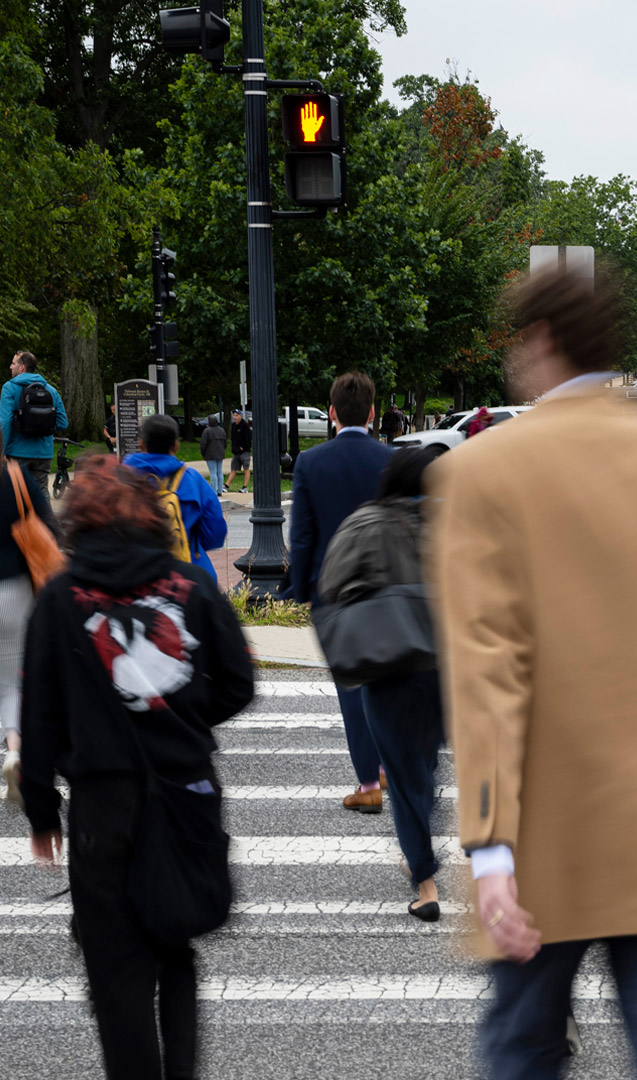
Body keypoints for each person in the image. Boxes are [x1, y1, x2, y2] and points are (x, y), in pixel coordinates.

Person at [432, 267, 637, 1080]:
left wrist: (490, 847)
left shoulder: (483, 473)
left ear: (542, 341)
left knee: (523, 1052)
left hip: (547, 834)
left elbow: (488, 672)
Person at [17, 455, 255, 1080]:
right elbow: (238, 682)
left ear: (79, 522)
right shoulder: (192, 585)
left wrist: (43, 811)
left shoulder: (60, 599)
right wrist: (186, 719)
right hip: (186, 793)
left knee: (116, 971)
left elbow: (39, 715)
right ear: (150, 517)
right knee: (173, 942)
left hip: (103, 805)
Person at [319, 447, 445, 921]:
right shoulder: (453, 522)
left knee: (402, 771)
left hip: (387, 662)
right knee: (425, 762)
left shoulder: (363, 522)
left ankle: (426, 886)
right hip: (445, 663)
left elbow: (332, 584)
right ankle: (424, 839)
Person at [283, 372, 393, 814]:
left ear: (331, 413)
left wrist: (301, 589)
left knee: (351, 688)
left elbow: (302, 535)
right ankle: (385, 764)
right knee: (384, 679)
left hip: (332, 591)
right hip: (383, 588)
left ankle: (368, 783)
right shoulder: (390, 460)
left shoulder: (311, 462)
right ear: (372, 413)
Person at [0, 448, 57, 807]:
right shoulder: (17, 478)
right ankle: (15, 749)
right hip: (16, 588)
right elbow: (48, 526)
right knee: (13, 681)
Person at [124, 414, 228, 580]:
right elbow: (215, 535)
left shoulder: (120, 479)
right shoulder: (193, 480)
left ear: (140, 444)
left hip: (132, 575)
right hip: (187, 574)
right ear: (176, 446)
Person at [1, 351, 68, 499]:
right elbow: (63, 423)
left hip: (16, 453)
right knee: (41, 494)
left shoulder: (9, 388)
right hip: (43, 453)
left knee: (14, 497)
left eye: (13, 363)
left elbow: (5, 422)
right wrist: (43, 428)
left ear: (22, 367)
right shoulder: (51, 390)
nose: (10, 366)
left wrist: (2, 450)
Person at [199, 415, 228, 495]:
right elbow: (225, 443)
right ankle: (219, 490)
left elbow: (203, 444)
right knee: (219, 472)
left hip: (210, 454)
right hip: (220, 453)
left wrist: (203, 453)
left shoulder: (207, 431)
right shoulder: (222, 430)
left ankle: (214, 490)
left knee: (213, 472)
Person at [228, 412, 252, 493]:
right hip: (236, 452)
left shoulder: (245, 425)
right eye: (234, 415)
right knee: (233, 469)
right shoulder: (233, 426)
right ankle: (227, 485)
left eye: (237, 415)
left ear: (240, 416)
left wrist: (244, 447)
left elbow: (248, 438)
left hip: (244, 452)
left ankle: (245, 487)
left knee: (246, 468)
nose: (235, 417)